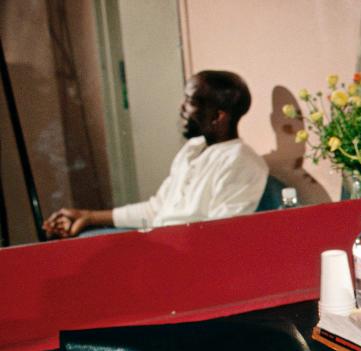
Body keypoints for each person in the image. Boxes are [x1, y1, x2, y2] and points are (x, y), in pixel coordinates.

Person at [43, 70, 268, 238]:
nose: (181, 107)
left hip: (178, 258)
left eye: (190, 101)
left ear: (218, 116)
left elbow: (220, 237)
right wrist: (88, 216)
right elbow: (157, 209)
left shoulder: (241, 162)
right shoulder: (193, 149)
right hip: (157, 243)